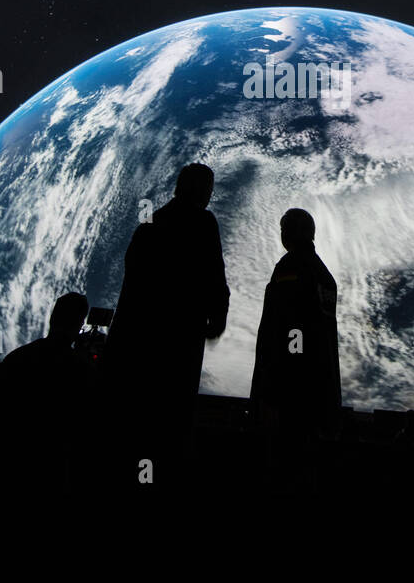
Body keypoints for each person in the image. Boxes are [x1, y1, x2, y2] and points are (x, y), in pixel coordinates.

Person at [101, 164, 230, 486]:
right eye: (208, 187)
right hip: (177, 351)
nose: (209, 194)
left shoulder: (149, 225)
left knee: (130, 431)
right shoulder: (203, 221)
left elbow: (130, 289)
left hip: (132, 351)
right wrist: (217, 317)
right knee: (169, 432)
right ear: (199, 189)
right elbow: (215, 278)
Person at [249, 208, 340, 488]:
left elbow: (286, 326)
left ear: (291, 232)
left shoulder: (291, 266)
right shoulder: (323, 273)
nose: (282, 234)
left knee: (282, 467)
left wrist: (272, 390)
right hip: (318, 390)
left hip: (290, 389)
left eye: (285, 228)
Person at [0, 292, 93, 493]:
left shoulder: (16, 359)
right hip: (52, 475)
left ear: (52, 318)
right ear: (79, 325)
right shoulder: (81, 370)